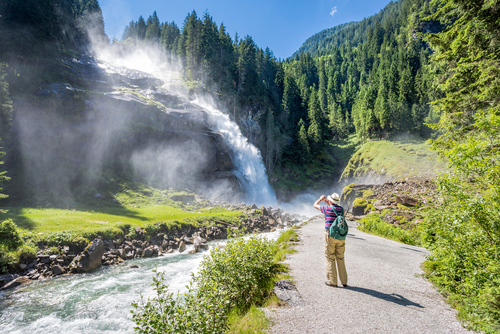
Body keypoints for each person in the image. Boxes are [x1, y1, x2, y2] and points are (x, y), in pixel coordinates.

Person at [313, 193, 348, 287]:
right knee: (340, 258)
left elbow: (315, 205)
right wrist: (330, 202)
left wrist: (320, 199)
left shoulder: (327, 209)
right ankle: (344, 281)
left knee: (330, 257)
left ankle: (332, 281)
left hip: (330, 236)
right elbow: (336, 208)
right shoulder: (341, 209)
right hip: (341, 236)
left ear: (330, 201)